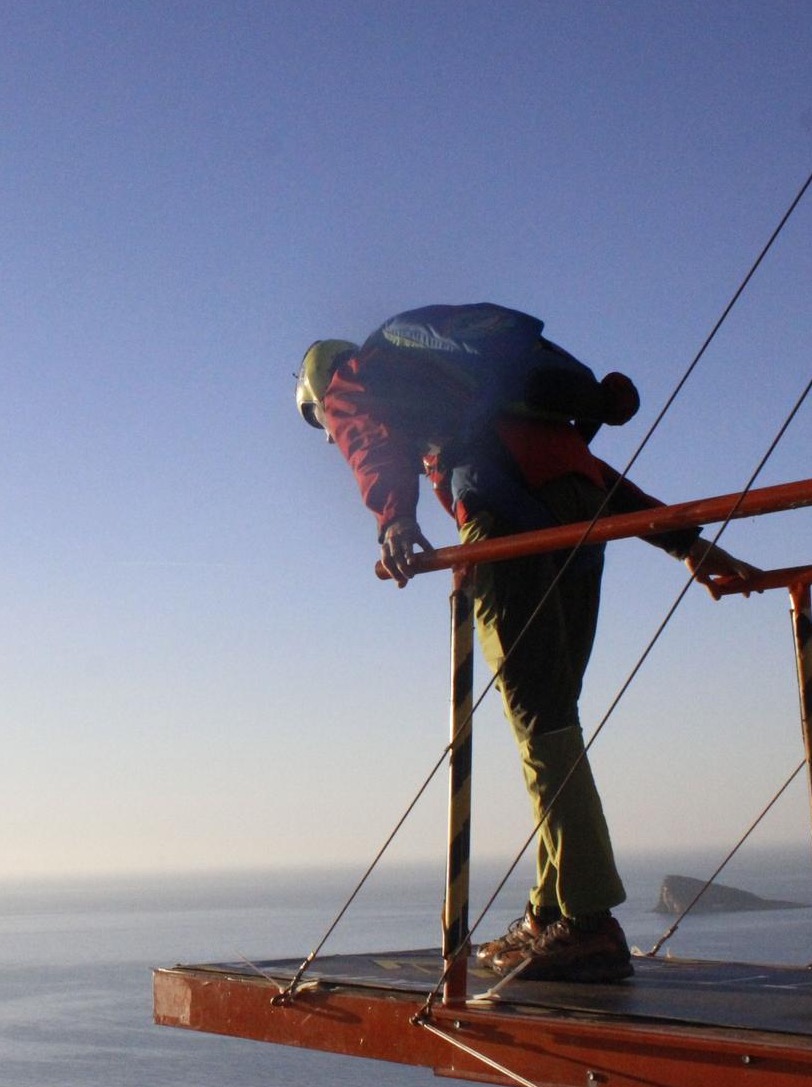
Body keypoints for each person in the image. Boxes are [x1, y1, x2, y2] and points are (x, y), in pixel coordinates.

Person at [294, 303, 756, 983]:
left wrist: (394, 517)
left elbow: (364, 436)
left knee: (538, 717)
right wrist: (685, 542)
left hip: (507, 515)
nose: (331, 427)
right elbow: (591, 474)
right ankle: (551, 906)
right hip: (580, 518)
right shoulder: (482, 389)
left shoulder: (349, 377)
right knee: (554, 715)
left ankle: (586, 919)